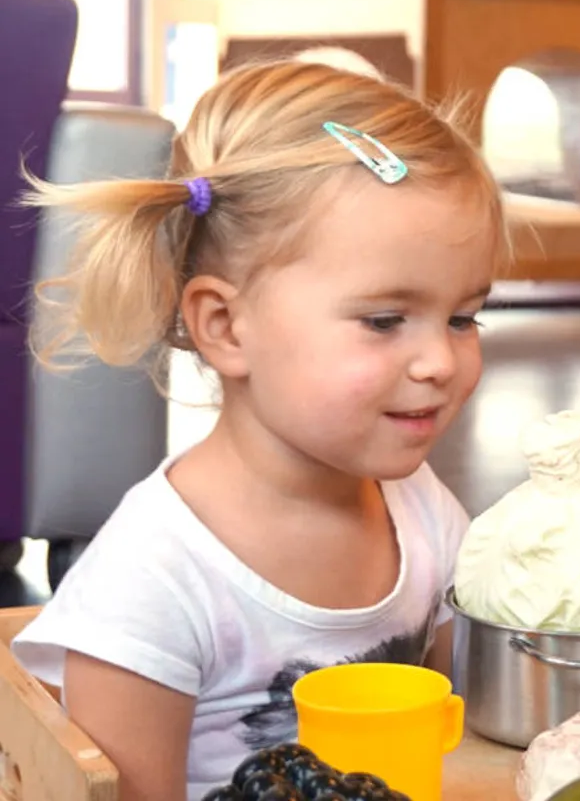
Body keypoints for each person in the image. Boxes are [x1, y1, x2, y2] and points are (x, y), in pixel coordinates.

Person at [11, 60, 509, 801]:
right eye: (383, 321)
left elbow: (466, 743)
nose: (441, 360)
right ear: (225, 326)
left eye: (463, 317)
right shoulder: (151, 583)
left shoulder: (424, 513)